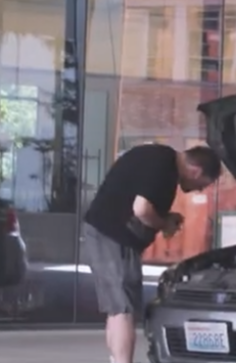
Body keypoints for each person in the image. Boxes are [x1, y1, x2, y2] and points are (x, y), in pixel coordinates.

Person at [83, 143, 221, 363]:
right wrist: (164, 224)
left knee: (117, 307)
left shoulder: (159, 158)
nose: (199, 190)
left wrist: (165, 218)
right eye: (201, 185)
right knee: (123, 308)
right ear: (196, 171)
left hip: (105, 233)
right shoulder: (163, 166)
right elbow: (142, 209)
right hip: (113, 236)